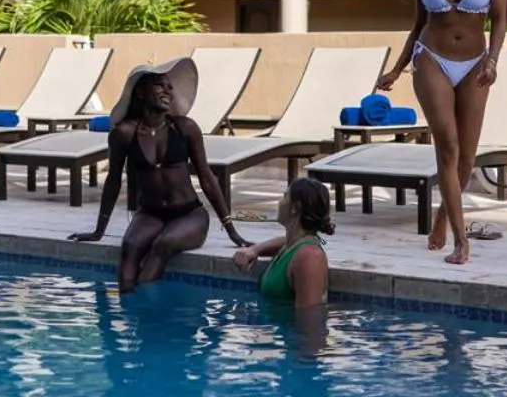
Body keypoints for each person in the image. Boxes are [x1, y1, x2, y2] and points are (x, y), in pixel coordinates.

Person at [373, 0, 507, 265]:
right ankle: (461, 241)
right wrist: (397, 68)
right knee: (447, 147)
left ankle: (443, 215)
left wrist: (493, 61)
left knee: (466, 156)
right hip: (431, 58)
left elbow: (500, 18)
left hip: (476, 63)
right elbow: (419, 25)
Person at [69, 56, 251, 291]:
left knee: (162, 244)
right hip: (150, 214)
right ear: (141, 92)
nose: (168, 91)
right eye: (160, 85)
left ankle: (143, 307)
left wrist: (232, 231)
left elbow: (206, 177)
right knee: (130, 247)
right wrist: (99, 231)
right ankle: (126, 305)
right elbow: (113, 180)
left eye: (169, 87)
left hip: (189, 214)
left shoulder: (185, 128)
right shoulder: (124, 133)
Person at [233, 175, 332, 309]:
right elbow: (285, 241)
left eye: (285, 197)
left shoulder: (310, 257)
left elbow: (310, 318)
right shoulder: (293, 245)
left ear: (295, 207)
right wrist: (254, 250)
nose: (279, 203)